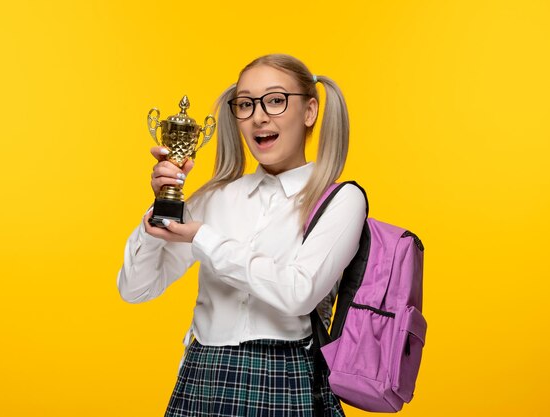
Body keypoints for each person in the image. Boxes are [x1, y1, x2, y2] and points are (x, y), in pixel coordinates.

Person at [117, 53, 366, 417]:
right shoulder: (216, 197)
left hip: (285, 378)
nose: (259, 116)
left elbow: (298, 293)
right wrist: (162, 207)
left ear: (310, 111)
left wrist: (205, 238)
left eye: (276, 100)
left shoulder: (341, 200)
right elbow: (136, 289)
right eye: (246, 104)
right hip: (204, 373)